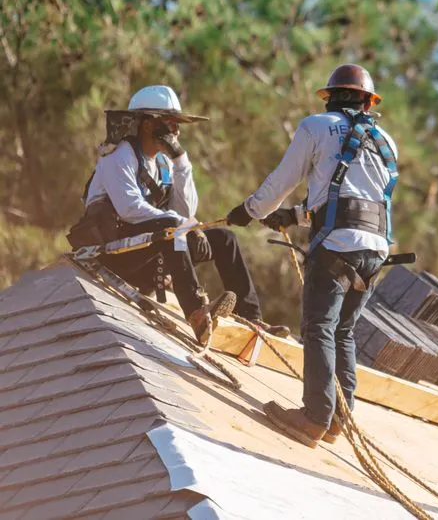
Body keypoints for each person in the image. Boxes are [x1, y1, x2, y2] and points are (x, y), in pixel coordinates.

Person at [227, 64, 399, 448]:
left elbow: (282, 181)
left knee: (319, 326)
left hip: (338, 245)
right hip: (376, 249)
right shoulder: (385, 141)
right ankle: (337, 420)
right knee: (343, 331)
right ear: (368, 103)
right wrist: (294, 216)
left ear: (330, 97)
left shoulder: (316, 127)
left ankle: (314, 418)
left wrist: (250, 210)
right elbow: (354, 197)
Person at [69, 85, 289, 343]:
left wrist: (181, 161)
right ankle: (196, 313)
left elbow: (184, 211)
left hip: (153, 249)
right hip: (115, 255)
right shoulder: (118, 155)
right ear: (148, 125)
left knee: (224, 239)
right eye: (171, 123)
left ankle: (252, 319)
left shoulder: (164, 163)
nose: (177, 131)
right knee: (174, 228)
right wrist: (182, 225)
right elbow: (130, 209)